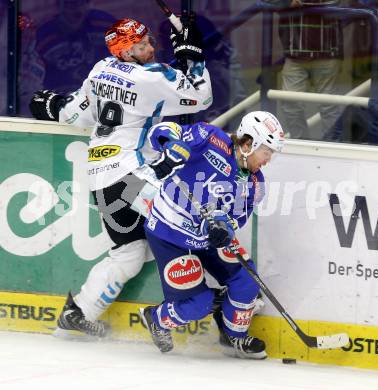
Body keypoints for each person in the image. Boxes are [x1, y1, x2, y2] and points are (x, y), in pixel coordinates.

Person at [29, 16, 212, 338]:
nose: (151, 48)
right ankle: (221, 297)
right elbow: (202, 97)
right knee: (191, 220)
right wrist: (192, 53)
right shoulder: (149, 77)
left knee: (129, 254)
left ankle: (80, 312)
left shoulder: (101, 69)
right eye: (142, 46)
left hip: (102, 180)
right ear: (126, 52)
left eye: (149, 41)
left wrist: (50, 104)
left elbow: (75, 113)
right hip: (131, 175)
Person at [140, 111, 285, 358]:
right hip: (170, 234)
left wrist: (225, 226)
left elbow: (238, 218)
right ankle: (156, 318)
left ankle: (233, 338)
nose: (267, 160)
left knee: (247, 281)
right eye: (266, 152)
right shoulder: (209, 138)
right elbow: (160, 132)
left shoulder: (256, 185)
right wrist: (172, 146)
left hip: (207, 239)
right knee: (198, 305)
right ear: (249, 144)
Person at [266, 0, 343, 139]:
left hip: (327, 52)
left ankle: (334, 144)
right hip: (295, 54)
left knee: (329, 107)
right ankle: (301, 143)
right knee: (290, 104)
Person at [35, 0, 116, 94]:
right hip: (62, 95)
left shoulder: (104, 24)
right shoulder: (45, 36)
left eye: (82, 2)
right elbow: (36, 74)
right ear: (59, 6)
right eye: (70, 3)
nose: (77, 8)